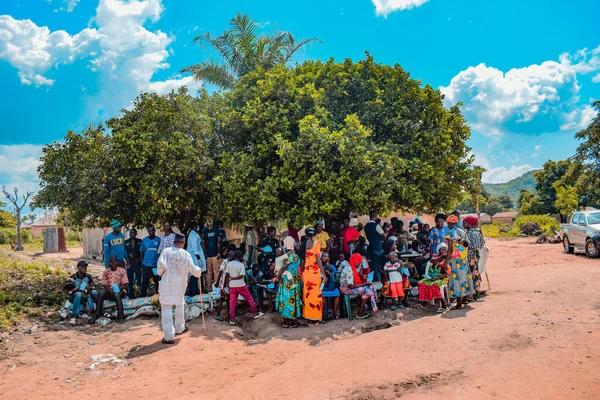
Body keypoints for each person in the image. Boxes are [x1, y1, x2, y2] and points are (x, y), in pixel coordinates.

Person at [157, 234, 202, 344]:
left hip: (167, 283)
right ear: (183, 243)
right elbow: (193, 268)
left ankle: (169, 336)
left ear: (173, 242)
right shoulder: (186, 254)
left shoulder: (166, 252)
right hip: (180, 284)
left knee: (167, 308)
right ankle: (179, 328)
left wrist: (161, 273)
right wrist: (198, 271)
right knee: (179, 304)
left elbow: (160, 267)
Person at [227, 250, 264, 325]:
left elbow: (227, 274)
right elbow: (241, 276)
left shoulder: (229, 264)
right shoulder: (241, 265)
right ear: (241, 257)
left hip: (232, 286)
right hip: (241, 285)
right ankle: (255, 313)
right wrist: (234, 278)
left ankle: (232, 319)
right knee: (249, 298)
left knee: (232, 302)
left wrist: (229, 281)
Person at [445, 216, 473, 309]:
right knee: (464, 276)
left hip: (455, 259)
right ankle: (465, 298)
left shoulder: (450, 233)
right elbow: (467, 244)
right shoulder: (462, 232)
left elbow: (449, 249)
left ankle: (459, 302)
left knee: (456, 279)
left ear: (450, 223)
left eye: (448, 223)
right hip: (463, 259)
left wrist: (446, 262)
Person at [339, 253, 378, 319]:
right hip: (346, 288)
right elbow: (351, 286)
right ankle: (360, 312)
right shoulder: (349, 270)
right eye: (359, 263)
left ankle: (367, 307)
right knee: (367, 291)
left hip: (350, 286)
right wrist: (364, 284)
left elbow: (356, 273)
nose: (360, 264)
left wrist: (362, 275)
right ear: (355, 262)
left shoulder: (352, 266)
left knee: (371, 287)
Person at [91, 256, 128, 324]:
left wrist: (117, 290)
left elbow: (124, 284)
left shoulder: (122, 270)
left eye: (114, 261)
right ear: (109, 263)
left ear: (116, 262)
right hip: (110, 291)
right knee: (102, 293)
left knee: (117, 295)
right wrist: (110, 290)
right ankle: (97, 314)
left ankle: (121, 316)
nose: (113, 263)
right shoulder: (106, 272)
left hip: (120, 291)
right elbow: (104, 284)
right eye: (111, 261)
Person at [300, 226, 325, 326]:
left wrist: (302, 272)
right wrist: (323, 273)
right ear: (314, 234)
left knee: (307, 295)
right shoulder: (317, 243)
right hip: (315, 273)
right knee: (316, 295)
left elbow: (302, 260)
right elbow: (318, 259)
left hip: (306, 272)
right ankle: (315, 318)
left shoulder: (303, 244)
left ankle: (308, 318)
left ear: (306, 235)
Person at [273, 244, 303, 328]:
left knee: (284, 298)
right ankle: (292, 321)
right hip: (289, 282)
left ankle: (286, 322)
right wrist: (277, 276)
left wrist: (278, 276)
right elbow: (284, 266)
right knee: (290, 299)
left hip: (285, 281)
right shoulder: (293, 255)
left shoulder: (288, 256)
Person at [418, 243, 449, 312]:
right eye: (442, 249)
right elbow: (431, 260)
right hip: (431, 277)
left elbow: (446, 274)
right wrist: (440, 257)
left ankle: (444, 303)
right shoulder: (435, 257)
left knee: (433, 285)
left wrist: (437, 278)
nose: (444, 251)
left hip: (441, 278)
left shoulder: (446, 259)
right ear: (439, 250)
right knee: (421, 283)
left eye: (445, 249)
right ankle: (424, 302)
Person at [65, 260, 98, 325]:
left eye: (85, 267)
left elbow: (93, 286)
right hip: (75, 297)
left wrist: (89, 287)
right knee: (78, 294)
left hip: (86, 296)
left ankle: (99, 311)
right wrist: (74, 290)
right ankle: (74, 316)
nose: (85, 268)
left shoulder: (88, 276)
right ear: (78, 267)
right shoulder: (73, 277)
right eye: (83, 266)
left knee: (94, 292)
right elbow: (67, 290)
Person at [463, 215, 486, 300]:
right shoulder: (477, 232)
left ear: (470, 223)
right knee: (475, 273)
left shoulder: (470, 233)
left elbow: (469, 244)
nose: (463, 224)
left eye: (464, 222)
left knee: (472, 274)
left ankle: (473, 295)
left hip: (471, 255)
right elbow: (483, 242)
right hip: (476, 254)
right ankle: (477, 294)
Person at [204, 219, 225, 293]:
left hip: (209, 255)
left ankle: (208, 289)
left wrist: (206, 251)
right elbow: (219, 241)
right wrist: (219, 252)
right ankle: (216, 289)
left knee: (209, 273)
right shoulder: (218, 232)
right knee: (216, 272)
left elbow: (203, 242)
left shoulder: (208, 232)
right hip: (216, 255)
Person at [140, 225, 161, 297]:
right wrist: (142, 263)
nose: (151, 232)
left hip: (155, 265)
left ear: (154, 231)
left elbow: (161, 252)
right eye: (149, 231)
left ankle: (158, 296)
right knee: (144, 282)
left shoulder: (158, 240)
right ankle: (143, 296)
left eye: (152, 230)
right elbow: (141, 252)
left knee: (157, 282)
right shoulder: (144, 240)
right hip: (146, 265)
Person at [364, 211, 386, 282]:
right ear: (375, 216)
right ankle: (377, 281)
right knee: (378, 265)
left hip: (370, 247)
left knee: (372, 265)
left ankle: (372, 280)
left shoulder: (366, 226)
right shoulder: (376, 225)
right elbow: (384, 235)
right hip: (378, 247)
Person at [187, 224, 207, 296]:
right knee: (193, 275)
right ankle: (193, 292)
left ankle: (194, 291)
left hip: (195, 257)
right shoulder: (192, 235)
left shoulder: (194, 234)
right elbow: (195, 248)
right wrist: (199, 259)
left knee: (195, 275)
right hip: (194, 258)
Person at [214, 249, 235, 322]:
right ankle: (218, 314)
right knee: (222, 299)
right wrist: (217, 282)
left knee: (228, 299)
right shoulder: (225, 262)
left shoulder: (230, 263)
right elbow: (220, 273)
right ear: (231, 256)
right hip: (224, 284)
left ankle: (228, 314)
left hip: (228, 284)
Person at [321, 252, 340, 319]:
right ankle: (321, 314)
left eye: (325, 256)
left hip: (333, 287)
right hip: (325, 288)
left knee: (337, 294)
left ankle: (334, 314)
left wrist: (331, 275)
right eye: (322, 256)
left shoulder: (332, 266)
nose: (323, 257)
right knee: (322, 295)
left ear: (328, 258)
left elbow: (336, 276)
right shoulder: (321, 267)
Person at [124, 228, 142, 298]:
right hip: (130, 264)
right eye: (130, 233)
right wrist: (128, 255)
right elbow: (124, 252)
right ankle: (130, 295)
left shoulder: (140, 241)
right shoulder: (126, 242)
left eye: (133, 233)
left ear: (136, 234)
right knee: (130, 281)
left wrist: (140, 258)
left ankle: (139, 294)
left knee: (139, 280)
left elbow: (142, 251)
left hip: (138, 264)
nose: (131, 234)